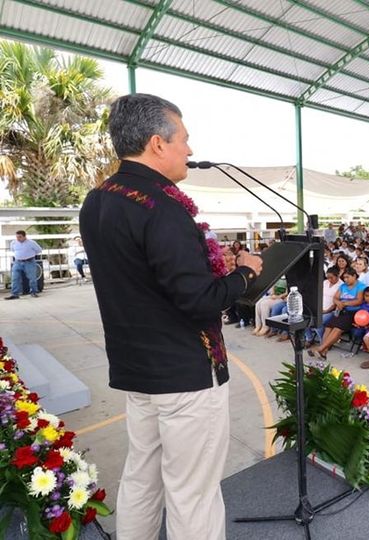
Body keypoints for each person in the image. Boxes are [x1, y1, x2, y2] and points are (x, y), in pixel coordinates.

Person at [79, 94, 263, 539]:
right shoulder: (162, 206)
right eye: (184, 139)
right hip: (185, 375)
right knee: (192, 493)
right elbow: (199, 300)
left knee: (142, 476)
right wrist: (244, 274)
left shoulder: (98, 199)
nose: (190, 150)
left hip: (138, 371)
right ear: (158, 144)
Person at [311, 267, 365, 359]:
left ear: (354, 276)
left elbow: (359, 301)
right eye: (344, 278)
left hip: (352, 312)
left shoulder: (361, 286)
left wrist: (344, 303)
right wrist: (338, 303)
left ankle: (321, 349)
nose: (345, 280)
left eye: (348, 277)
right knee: (328, 327)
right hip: (340, 310)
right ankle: (323, 352)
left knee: (337, 328)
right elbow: (335, 298)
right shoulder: (343, 286)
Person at [5, 230, 43, 299]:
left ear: (24, 236)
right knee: (15, 278)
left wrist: (31, 255)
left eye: (20, 237)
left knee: (32, 278)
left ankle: (33, 292)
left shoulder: (31, 243)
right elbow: (13, 250)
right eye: (17, 237)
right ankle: (15, 294)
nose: (18, 239)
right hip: (17, 262)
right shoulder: (13, 243)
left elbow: (39, 250)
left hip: (29, 262)